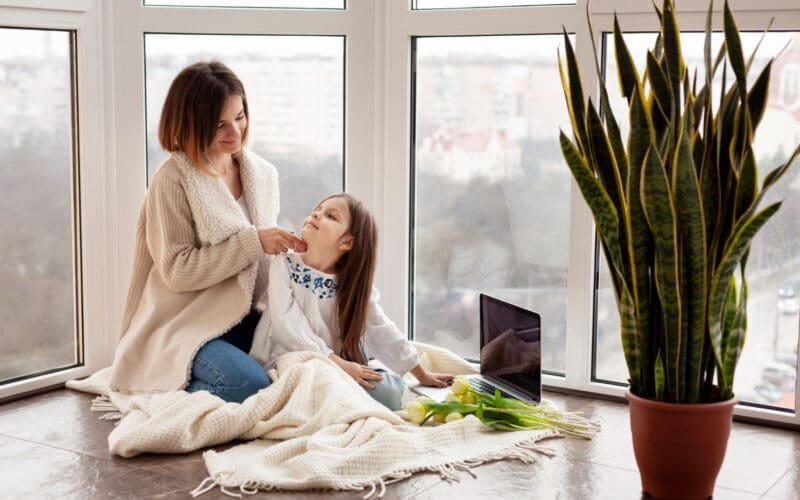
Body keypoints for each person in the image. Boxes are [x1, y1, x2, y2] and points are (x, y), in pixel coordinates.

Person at [108, 61, 306, 403]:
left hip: (244, 317)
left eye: (240, 117)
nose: (235, 133)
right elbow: (177, 271)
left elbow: (260, 266)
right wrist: (255, 241)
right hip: (185, 323)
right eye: (219, 124)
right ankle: (161, 388)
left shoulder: (262, 173)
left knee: (301, 368)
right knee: (250, 386)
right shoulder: (171, 180)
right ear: (190, 123)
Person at [250, 193, 453, 410]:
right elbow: (287, 325)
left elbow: (381, 327)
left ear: (347, 242)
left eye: (330, 216)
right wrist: (338, 364)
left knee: (390, 394)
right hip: (286, 361)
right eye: (317, 209)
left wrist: (421, 374)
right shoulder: (284, 264)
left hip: (335, 364)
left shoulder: (351, 283)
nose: (317, 214)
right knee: (317, 386)